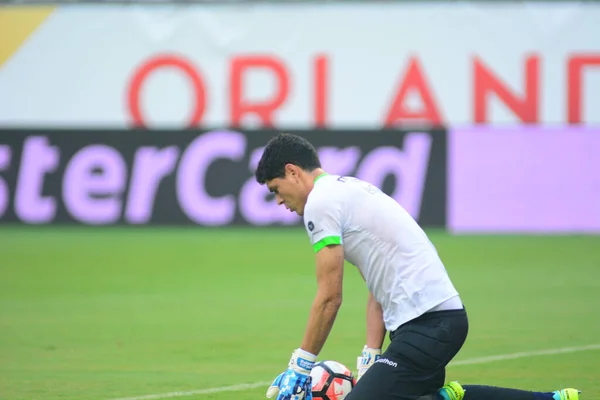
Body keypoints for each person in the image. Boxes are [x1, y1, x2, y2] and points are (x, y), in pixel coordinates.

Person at [255, 132, 580, 400]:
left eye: (276, 190)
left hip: (428, 324)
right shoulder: (347, 189)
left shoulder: (320, 204)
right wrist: (371, 352)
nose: (279, 201)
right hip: (432, 321)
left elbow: (329, 297)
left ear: (293, 172)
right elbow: (376, 279)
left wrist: (301, 363)